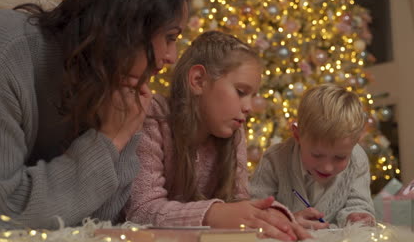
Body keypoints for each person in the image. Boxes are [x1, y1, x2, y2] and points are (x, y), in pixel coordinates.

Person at [0, 0, 189, 230]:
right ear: (126, 24)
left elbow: (100, 222)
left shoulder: (111, 82)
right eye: (170, 37)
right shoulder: (0, 50)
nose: (171, 57)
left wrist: (121, 136)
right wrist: (108, 141)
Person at [125, 31, 310, 241]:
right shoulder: (154, 116)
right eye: (241, 92)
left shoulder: (234, 132)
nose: (249, 107)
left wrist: (274, 215)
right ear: (198, 80)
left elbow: (239, 202)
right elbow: (141, 211)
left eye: (253, 96)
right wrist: (214, 214)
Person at [250, 84, 375, 229]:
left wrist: (357, 216)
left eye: (340, 157)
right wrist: (287, 220)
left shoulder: (357, 158)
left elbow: (359, 203)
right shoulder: (274, 159)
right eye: (317, 155)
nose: (327, 167)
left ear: (355, 141)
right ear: (297, 135)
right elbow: (254, 210)